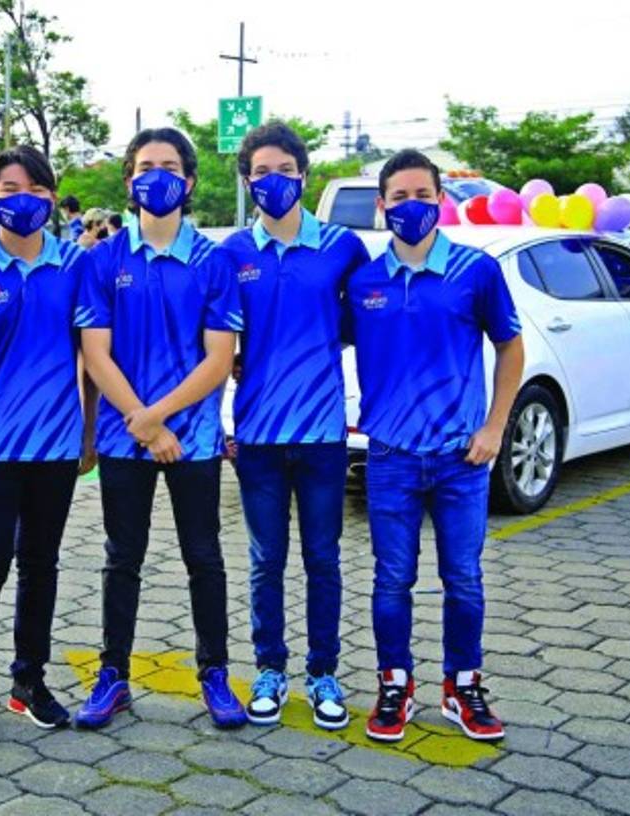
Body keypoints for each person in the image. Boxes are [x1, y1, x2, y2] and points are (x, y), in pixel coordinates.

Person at [347, 149, 524, 743]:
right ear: (381, 206)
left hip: (460, 459)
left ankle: (462, 686)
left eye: (423, 195)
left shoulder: (475, 271)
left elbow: (511, 348)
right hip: (391, 457)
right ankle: (394, 683)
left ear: (440, 200)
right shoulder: (364, 281)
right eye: (399, 197)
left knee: (464, 579)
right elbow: (319, 339)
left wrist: (495, 426)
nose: (412, 207)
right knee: (391, 579)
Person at [73, 127, 246, 730]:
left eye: (170, 165)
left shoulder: (213, 261)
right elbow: (96, 354)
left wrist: (158, 419)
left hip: (193, 441)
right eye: (146, 165)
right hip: (128, 441)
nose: (158, 175)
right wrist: (144, 427)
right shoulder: (103, 259)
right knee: (123, 558)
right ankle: (113, 676)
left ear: (190, 181)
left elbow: (219, 360)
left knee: (205, 556)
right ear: (129, 180)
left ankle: (216, 674)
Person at [0, 145, 98, 744]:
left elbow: (90, 357)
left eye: (33, 188)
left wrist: (86, 433)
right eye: (8, 188)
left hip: (55, 449)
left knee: (40, 566)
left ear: (51, 199)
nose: (21, 199)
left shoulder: (75, 268)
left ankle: (29, 680)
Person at [221, 121, 369, 730]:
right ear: (247, 180)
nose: (274, 181)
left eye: (285, 170)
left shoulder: (342, 247)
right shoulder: (231, 253)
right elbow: (214, 339)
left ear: (304, 175)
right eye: (262, 172)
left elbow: (367, 324)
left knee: (323, 558)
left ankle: (323, 671)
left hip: (322, 437)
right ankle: (270, 668)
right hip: (256, 436)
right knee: (264, 560)